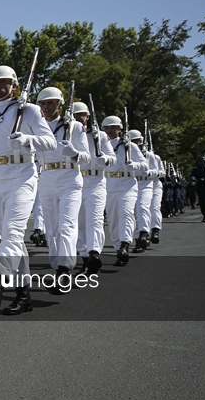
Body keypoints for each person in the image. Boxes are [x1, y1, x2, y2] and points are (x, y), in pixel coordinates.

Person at [0, 66, 57, 315]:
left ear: (13, 84)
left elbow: (51, 142)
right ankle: (24, 295)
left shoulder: (29, 110)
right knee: (13, 238)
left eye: (3, 83)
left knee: (11, 233)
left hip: (22, 176)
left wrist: (27, 140)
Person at [34, 87, 90, 293]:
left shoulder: (74, 126)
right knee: (53, 227)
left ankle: (64, 270)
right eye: (43, 103)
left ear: (60, 104)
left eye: (51, 103)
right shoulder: (37, 125)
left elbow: (86, 157)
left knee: (67, 224)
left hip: (70, 178)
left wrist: (74, 153)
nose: (46, 107)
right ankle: (57, 264)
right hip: (47, 177)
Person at [72, 102, 114, 274]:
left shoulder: (101, 136)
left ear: (87, 117)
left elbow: (113, 157)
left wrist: (106, 159)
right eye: (74, 115)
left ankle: (94, 252)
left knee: (95, 219)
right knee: (79, 223)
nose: (77, 118)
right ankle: (84, 256)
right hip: (75, 181)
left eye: (80, 115)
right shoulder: (68, 134)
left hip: (95, 181)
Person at [101, 116, 149, 266]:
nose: (110, 130)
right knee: (113, 219)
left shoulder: (129, 146)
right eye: (107, 128)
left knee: (126, 213)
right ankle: (118, 248)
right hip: (108, 184)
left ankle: (125, 244)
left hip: (127, 184)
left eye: (113, 127)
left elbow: (145, 166)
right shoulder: (101, 145)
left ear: (120, 128)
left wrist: (133, 165)